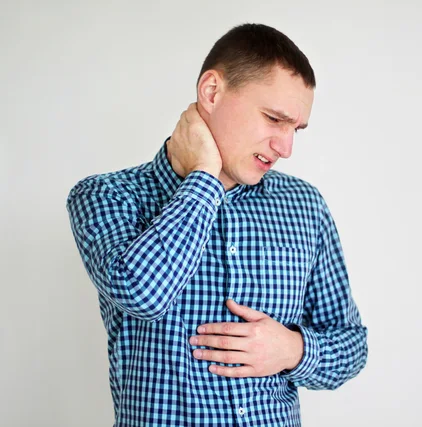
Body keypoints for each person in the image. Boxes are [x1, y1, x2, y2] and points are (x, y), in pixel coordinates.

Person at [66, 23, 368, 426]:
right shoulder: (108, 196)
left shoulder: (305, 206)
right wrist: (204, 179)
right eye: (274, 118)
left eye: (295, 129)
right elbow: (142, 295)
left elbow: (351, 345)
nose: (286, 148)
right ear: (211, 92)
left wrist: (293, 350)